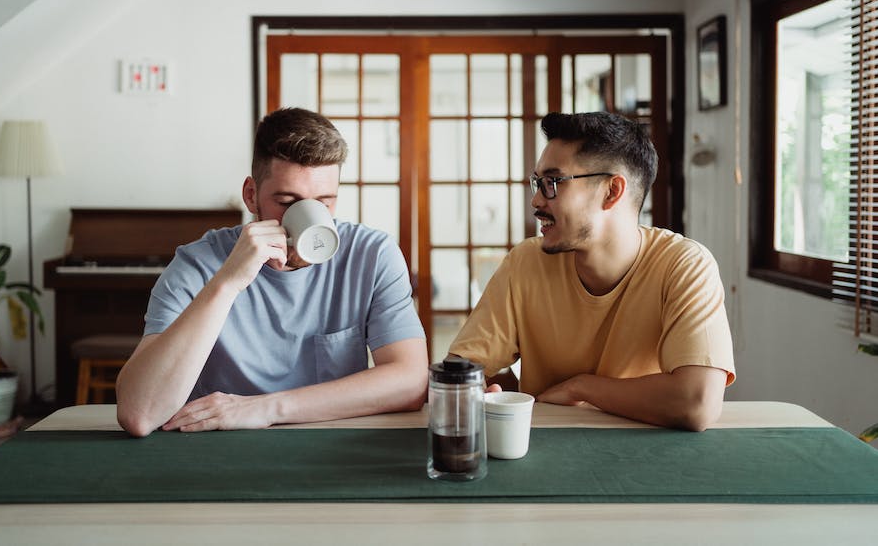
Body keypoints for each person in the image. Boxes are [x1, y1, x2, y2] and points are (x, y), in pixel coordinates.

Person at [117, 107, 428, 437]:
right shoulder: (199, 263)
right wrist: (226, 284)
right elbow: (139, 413)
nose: (310, 219)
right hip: (217, 450)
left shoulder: (372, 254)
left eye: (324, 202)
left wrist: (267, 408)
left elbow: (411, 381)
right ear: (251, 195)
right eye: (287, 202)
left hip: (331, 444)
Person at [449, 111, 735, 432]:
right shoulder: (526, 262)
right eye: (538, 183)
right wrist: (473, 390)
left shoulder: (684, 265)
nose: (536, 200)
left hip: (648, 453)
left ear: (611, 191)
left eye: (553, 183)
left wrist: (582, 387)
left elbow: (697, 403)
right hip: (548, 449)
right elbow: (462, 368)